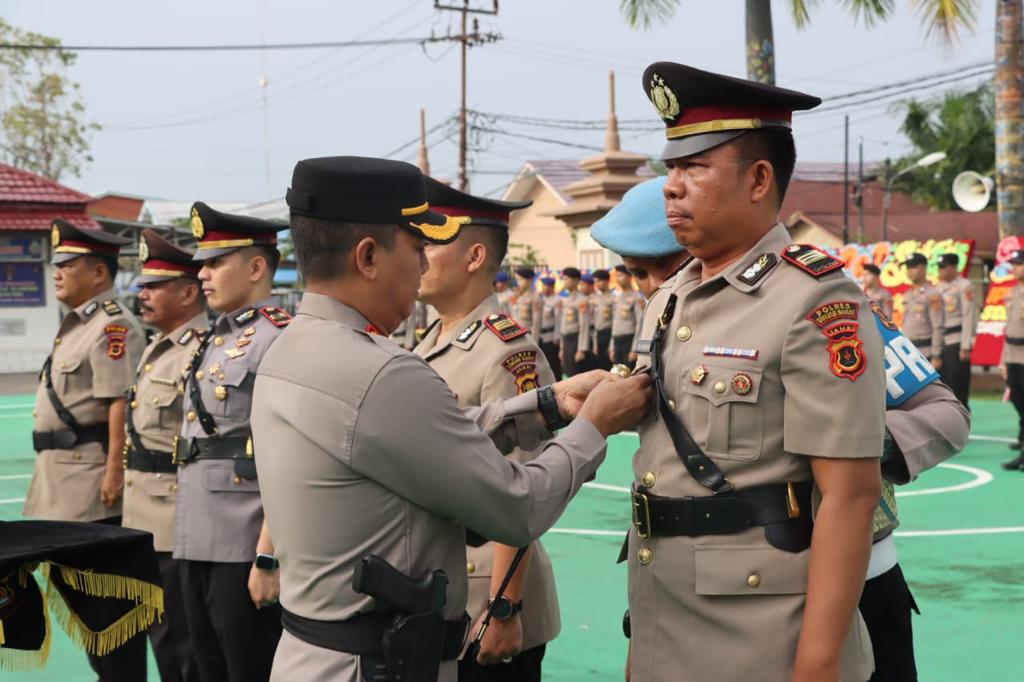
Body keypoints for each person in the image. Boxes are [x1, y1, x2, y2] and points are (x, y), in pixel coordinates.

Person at [251, 155, 651, 682]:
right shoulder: (380, 370)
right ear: (368, 257)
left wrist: (546, 406)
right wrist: (592, 426)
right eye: (416, 249)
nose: (421, 266)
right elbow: (517, 507)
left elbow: (424, 438)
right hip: (375, 664)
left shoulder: (289, 350)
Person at [624, 62, 886, 682]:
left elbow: (850, 495)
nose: (671, 187)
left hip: (764, 631)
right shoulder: (671, 297)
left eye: (694, 168)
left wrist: (818, 664)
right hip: (665, 606)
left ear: (759, 179)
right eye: (670, 168)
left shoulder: (815, 299)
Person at [416, 178, 560, 681]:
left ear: (475, 256)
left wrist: (503, 608)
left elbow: (520, 491)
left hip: (485, 596)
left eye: (431, 242)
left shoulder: (506, 352)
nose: (418, 253)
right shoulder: (427, 341)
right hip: (439, 585)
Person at [23, 219, 147, 681]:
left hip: (91, 483)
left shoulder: (111, 324)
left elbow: (119, 402)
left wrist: (114, 469)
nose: (57, 272)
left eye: (67, 264)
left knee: (107, 615)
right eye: (56, 265)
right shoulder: (76, 325)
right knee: (84, 616)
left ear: (98, 272)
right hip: (60, 483)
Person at [172, 202, 289, 682]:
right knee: (207, 668)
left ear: (256, 266)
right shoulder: (216, 338)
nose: (201, 274)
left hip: (244, 541)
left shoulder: (277, 338)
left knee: (250, 669)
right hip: (196, 534)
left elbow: (288, 458)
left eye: (216, 262)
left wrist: (269, 552)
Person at [859, 301, 970, 681]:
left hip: (861, 573)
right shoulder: (667, 306)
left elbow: (947, 414)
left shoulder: (832, 304)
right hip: (682, 579)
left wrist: (864, 439)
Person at [123, 229, 206, 682]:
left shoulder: (197, 351)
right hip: (145, 520)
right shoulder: (159, 349)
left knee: (182, 646)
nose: (143, 294)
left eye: (154, 286)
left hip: (176, 522)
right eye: (142, 285)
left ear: (189, 292)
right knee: (162, 639)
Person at [935, 252, 977, 407]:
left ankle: (963, 423)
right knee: (943, 386)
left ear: (954, 267)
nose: (940, 270)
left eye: (943, 267)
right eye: (939, 267)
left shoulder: (964, 286)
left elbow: (969, 316)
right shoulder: (938, 288)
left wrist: (965, 346)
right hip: (942, 341)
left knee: (958, 387)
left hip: (957, 340)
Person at [899, 253, 944, 371]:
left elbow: (938, 326)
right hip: (908, 351)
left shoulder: (933, 294)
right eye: (907, 267)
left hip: (925, 351)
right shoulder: (907, 294)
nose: (909, 271)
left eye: (913, 267)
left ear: (924, 268)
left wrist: (936, 354)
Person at [1001, 249, 1024, 470]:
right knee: (1018, 400)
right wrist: (1003, 360)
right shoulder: (1013, 292)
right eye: (1013, 264)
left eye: (1018, 263)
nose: (1015, 267)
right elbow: (1009, 329)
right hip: (1013, 354)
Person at [558, 267, 591, 376]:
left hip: (575, 341)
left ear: (576, 280)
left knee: (576, 373)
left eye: (567, 279)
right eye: (564, 279)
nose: (564, 281)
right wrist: (562, 347)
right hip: (567, 341)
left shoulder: (582, 300)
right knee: (567, 373)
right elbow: (563, 325)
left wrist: (581, 349)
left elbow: (584, 325)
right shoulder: (566, 299)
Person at [610, 266, 646, 366]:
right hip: (617, 342)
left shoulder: (637, 297)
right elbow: (614, 324)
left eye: (620, 275)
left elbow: (640, 324)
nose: (618, 278)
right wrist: (612, 347)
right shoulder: (617, 298)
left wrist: (635, 348)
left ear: (630, 277)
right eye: (616, 276)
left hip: (629, 341)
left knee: (629, 375)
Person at [537, 276, 563, 378]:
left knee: (553, 364)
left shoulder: (557, 300)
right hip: (541, 337)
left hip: (550, 337)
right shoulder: (541, 300)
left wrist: (557, 336)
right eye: (543, 286)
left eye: (545, 286)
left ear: (551, 287)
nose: (543, 288)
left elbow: (558, 319)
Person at [590, 269, 615, 371]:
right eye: (595, 281)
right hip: (599, 334)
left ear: (606, 281)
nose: (597, 284)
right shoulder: (595, 298)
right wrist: (595, 343)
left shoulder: (613, 298)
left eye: (599, 281)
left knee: (610, 364)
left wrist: (612, 344)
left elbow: (615, 322)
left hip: (609, 334)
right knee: (600, 366)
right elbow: (595, 322)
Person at [511, 266, 542, 338]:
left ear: (529, 280)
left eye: (520, 279)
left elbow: (536, 324)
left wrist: (534, 345)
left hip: (527, 337)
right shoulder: (518, 298)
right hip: (516, 336)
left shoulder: (535, 298)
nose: (518, 282)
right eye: (517, 280)